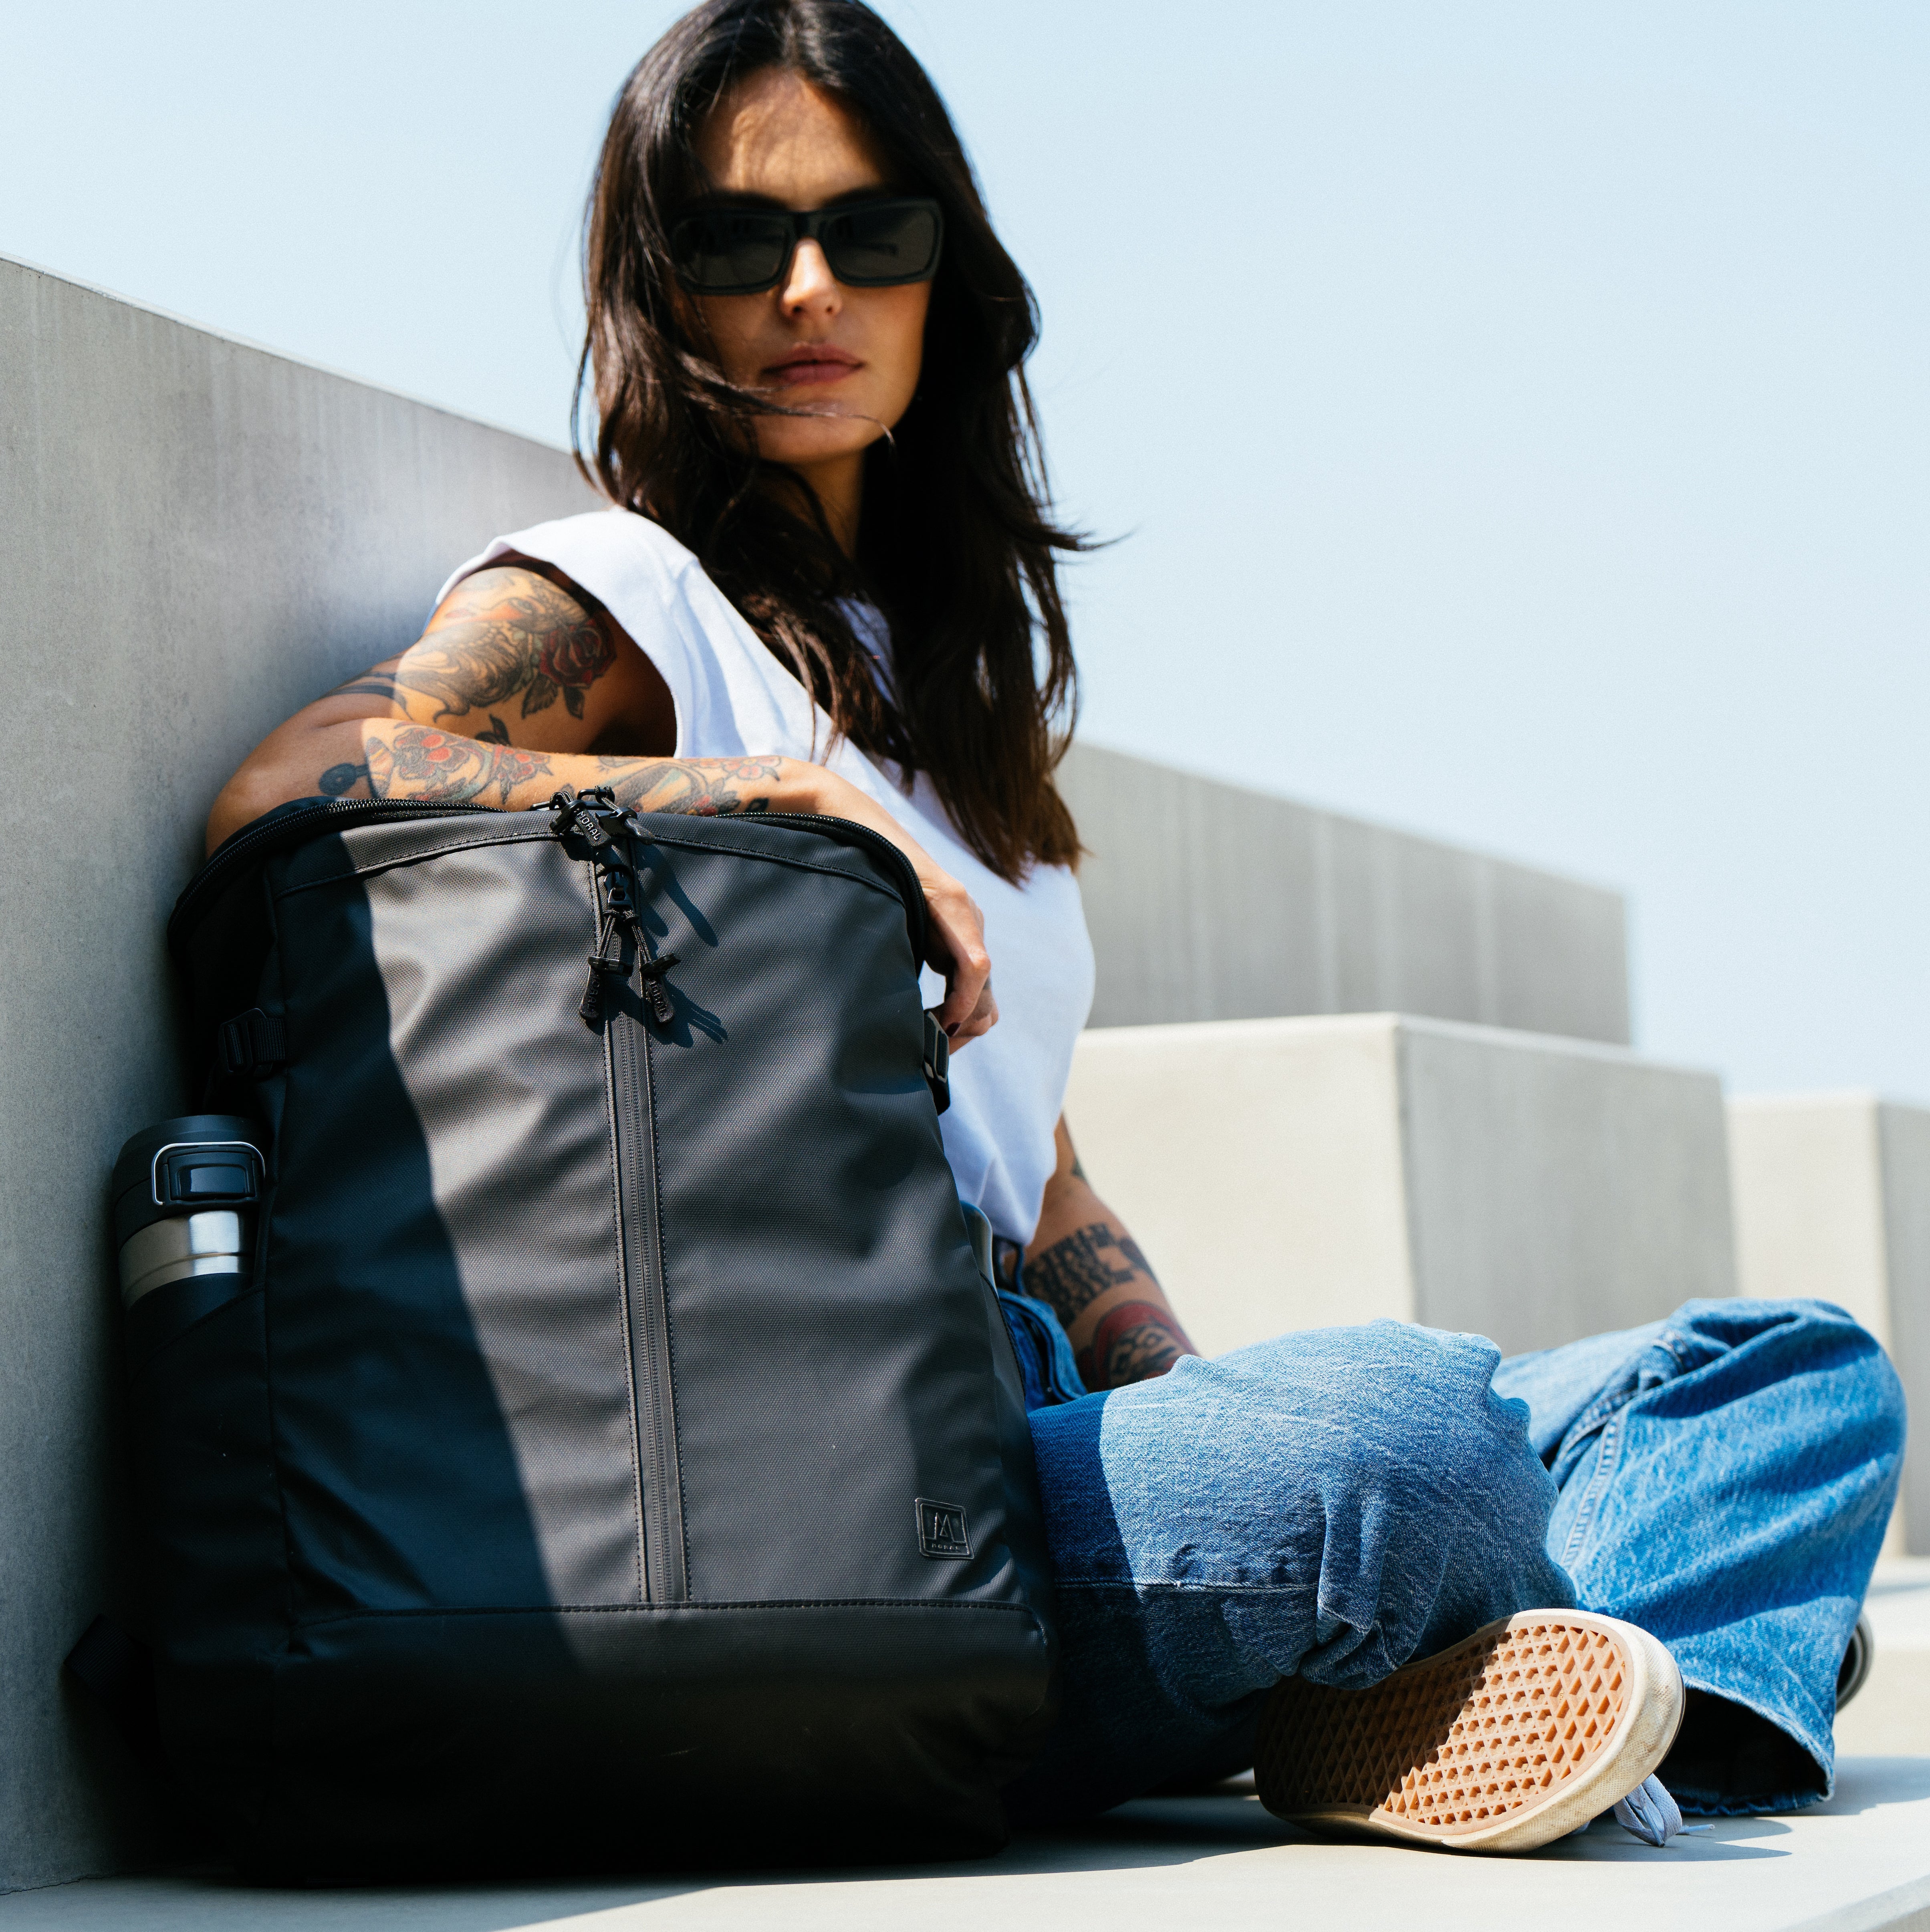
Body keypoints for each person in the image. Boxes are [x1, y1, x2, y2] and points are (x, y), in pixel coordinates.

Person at [211, 0, 1903, 1853]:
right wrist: (757, 795)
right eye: (735, 239)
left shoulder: (958, 710)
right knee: (1414, 1437)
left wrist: (1196, 1404)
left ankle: (1600, 1720)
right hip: (857, 1484)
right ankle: (1453, 1659)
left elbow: (1047, 1184)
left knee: (1783, 1373)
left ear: (945, 273)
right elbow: (294, 780)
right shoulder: (633, 594)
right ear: (657, 284)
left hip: (1038, 1423)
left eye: (869, 231)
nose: (805, 289)